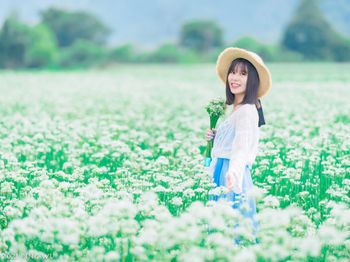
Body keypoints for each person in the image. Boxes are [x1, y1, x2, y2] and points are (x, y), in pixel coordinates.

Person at [205, 47, 272, 245]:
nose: (235, 77)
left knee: (232, 228)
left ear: (252, 81)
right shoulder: (238, 109)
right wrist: (215, 136)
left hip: (231, 172)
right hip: (224, 169)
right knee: (225, 226)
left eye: (243, 73)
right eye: (232, 72)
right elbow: (234, 140)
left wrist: (233, 173)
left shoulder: (246, 111)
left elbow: (241, 148)